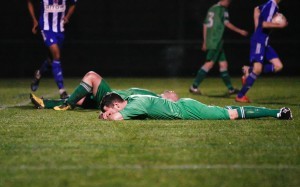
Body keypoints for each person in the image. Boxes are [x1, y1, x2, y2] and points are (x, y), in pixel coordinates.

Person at [30, 71, 179, 109]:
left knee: (92, 76)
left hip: (112, 98)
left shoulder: (158, 100)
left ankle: (67, 104)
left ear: (170, 100)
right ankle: (45, 103)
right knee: (80, 99)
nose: (172, 91)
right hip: (111, 97)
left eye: (174, 94)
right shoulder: (153, 95)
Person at [189, 0, 248, 95]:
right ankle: (194, 87)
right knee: (209, 64)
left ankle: (230, 89)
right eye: (228, 1)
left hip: (214, 41)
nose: (229, 3)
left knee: (223, 65)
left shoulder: (212, 8)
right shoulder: (222, 9)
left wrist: (205, 40)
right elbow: (227, 23)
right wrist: (240, 31)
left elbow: (205, 25)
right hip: (216, 41)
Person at [99, 92, 293, 121]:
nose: (109, 114)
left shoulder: (134, 105)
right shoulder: (132, 98)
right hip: (185, 104)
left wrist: (107, 117)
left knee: (232, 115)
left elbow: (118, 119)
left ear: (116, 105)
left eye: (109, 110)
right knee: (223, 111)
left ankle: (278, 112)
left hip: (187, 110)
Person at [236, 0, 288, 103]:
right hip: (259, 40)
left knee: (278, 66)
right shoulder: (271, 5)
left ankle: (249, 70)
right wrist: (279, 25)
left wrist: (256, 26)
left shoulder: (272, 5)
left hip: (265, 42)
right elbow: (264, 24)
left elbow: (256, 9)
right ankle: (240, 96)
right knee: (258, 70)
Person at [27, 0, 77, 99]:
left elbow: (73, 3)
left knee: (51, 59)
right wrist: (34, 20)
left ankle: (39, 73)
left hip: (60, 30)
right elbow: (29, 2)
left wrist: (67, 17)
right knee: (56, 56)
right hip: (46, 28)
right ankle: (62, 90)